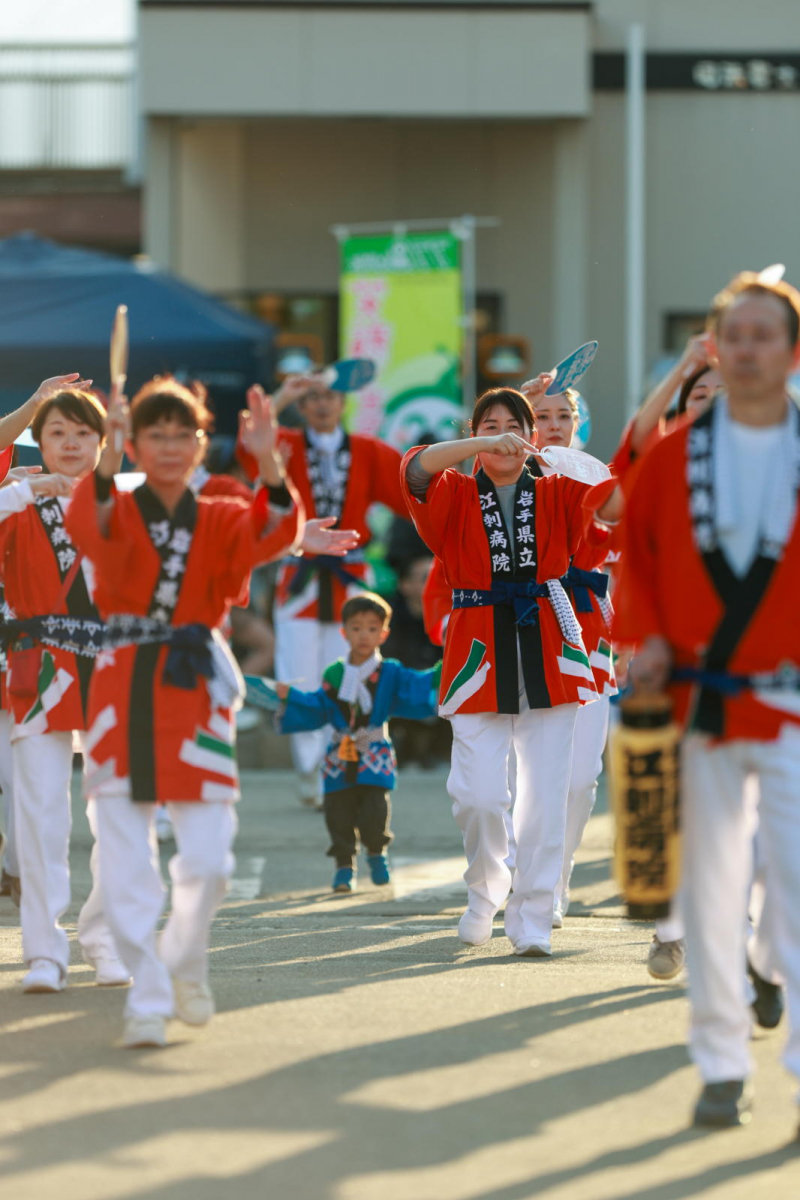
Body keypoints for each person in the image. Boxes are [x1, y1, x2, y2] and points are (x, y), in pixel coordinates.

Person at [614, 272, 800, 1129]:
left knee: (796, 886)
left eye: (767, 335)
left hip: (792, 703)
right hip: (698, 705)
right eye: (736, 335)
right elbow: (636, 559)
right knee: (710, 892)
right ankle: (722, 1062)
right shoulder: (673, 457)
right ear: (715, 349)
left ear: (792, 351)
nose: (749, 349)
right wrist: (643, 637)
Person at [66, 379, 303, 1048]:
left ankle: (183, 961)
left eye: (184, 435)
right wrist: (107, 455)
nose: (170, 447)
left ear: (202, 445)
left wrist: (269, 463)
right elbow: (88, 521)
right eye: (156, 435)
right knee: (125, 864)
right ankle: (147, 996)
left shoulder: (221, 514)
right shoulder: (115, 504)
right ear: (136, 443)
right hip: (121, 693)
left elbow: (274, 531)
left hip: (193, 691)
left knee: (210, 860)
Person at [401, 386, 620, 957]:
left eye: (514, 426)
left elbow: (612, 501)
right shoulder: (453, 491)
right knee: (476, 795)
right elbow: (416, 469)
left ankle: (534, 916)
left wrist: (562, 455)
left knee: (546, 794)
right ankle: (485, 891)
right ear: (473, 435)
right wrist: (482, 445)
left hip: (550, 645)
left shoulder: (557, 489)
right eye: (489, 425)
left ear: (531, 438)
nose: (503, 435)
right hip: (477, 652)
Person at [0, 385, 128, 993]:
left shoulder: (127, 502)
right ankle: (44, 954)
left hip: (112, 671)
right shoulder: (17, 499)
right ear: (39, 442)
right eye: (57, 433)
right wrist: (25, 492)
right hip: (39, 672)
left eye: (83, 433)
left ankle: (105, 942)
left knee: (117, 815)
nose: (71, 443)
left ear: (103, 442)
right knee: (39, 817)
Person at [260, 374, 408, 808]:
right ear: (301, 406)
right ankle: (309, 768)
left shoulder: (368, 450)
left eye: (329, 397)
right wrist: (281, 396)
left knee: (354, 671)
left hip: (350, 574)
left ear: (343, 402)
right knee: (298, 673)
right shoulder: (286, 445)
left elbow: (410, 488)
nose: (322, 405)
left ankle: (343, 764)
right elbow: (252, 448)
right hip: (301, 575)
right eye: (311, 398)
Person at [522, 384, 616, 926]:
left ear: (578, 422)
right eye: (541, 414)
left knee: (580, 777)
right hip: (523, 628)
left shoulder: (598, 477)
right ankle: (530, 882)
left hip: (588, 633)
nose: (554, 424)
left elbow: (626, 556)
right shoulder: (502, 476)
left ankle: (557, 878)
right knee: (528, 775)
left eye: (564, 415)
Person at [274, 592, 440, 892]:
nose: (364, 635)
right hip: (340, 749)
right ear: (344, 632)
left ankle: (377, 853)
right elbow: (319, 705)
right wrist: (291, 697)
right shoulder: (334, 673)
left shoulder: (391, 672)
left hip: (375, 747)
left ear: (384, 634)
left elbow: (418, 684)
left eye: (372, 628)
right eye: (356, 627)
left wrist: (444, 670)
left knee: (375, 809)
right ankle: (343, 866)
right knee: (337, 811)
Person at [384, 554, 450, 769]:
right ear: (405, 585)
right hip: (400, 683)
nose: (436, 584)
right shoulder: (387, 616)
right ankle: (398, 747)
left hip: (437, 683)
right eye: (425, 578)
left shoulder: (451, 614)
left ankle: (439, 751)